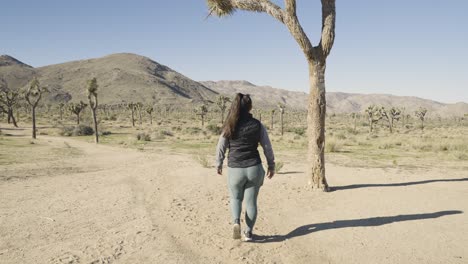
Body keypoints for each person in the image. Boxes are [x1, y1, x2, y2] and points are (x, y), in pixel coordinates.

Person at [215, 93, 275, 242]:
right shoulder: (257, 124)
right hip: (254, 168)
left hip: (235, 169)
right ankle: (248, 233)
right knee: (251, 202)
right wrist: (271, 164)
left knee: (235, 198)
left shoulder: (230, 124)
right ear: (250, 107)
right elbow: (267, 146)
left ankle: (236, 222)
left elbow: (221, 146)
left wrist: (219, 162)